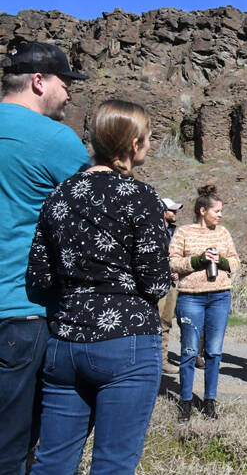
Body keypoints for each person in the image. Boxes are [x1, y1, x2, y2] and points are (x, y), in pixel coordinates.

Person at [27, 100, 171, 474]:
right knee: (113, 464)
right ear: (133, 143)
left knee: (52, 462)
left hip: (65, 344)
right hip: (127, 344)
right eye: (148, 137)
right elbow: (155, 282)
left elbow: (39, 279)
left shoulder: (59, 195)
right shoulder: (142, 197)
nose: (150, 144)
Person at [0, 41, 90, 474]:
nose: (70, 94)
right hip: (21, 312)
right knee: (12, 447)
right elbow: (94, 224)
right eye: (64, 82)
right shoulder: (55, 140)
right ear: (39, 82)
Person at [169, 184, 240, 421]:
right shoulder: (183, 232)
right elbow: (172, 262)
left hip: (220, 296)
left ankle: (210, 401)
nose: (220, 215)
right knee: (189, 351)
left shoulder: (223, 233)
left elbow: (235, 262)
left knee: (213, 351)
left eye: (221, 211)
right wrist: (197, 261)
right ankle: (186, 401)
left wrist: (221, 262)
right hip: (190, 297)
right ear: (202, 210)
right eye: (216, 211)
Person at [158, 197, 183, 374]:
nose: (175, 213)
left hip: (172, 283)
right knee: (155, 321)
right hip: (157, 283)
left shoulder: (175, 232)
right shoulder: (152, 231)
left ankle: (162, 360)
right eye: (172, 210)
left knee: (166, 321)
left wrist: (177, 270)